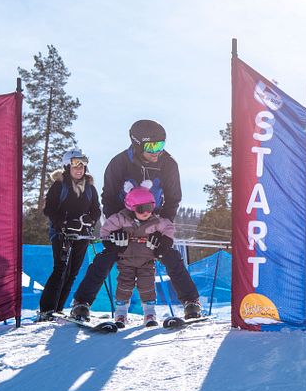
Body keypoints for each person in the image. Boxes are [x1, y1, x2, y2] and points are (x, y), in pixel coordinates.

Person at [69, 120, 201, 320]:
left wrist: (162, 231)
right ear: (137, 144)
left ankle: (191, 302)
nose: (158, 151)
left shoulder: (168, 164)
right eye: (152, 146)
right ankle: (81, 303)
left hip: (153, 220)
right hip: (124, 219)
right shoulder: (119, 163)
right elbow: (109, 197)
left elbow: (173, 199)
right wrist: (116, 228)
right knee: (106, 258)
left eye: (162, 145)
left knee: (171, 256)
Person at [101, 183, 178, 328]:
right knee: (124, 286)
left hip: (146, 261)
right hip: (126, 260)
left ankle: (149, 313)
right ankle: (121, 314)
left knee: (147, 286)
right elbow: (105, 229)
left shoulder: (155, 221)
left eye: (149, 208)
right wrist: (110, 244)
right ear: (131, 207)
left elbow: (169, 227)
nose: (146, 212)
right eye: (141, 209)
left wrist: (165, 241)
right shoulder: (121, 219)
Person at [37, 149, 101, 321]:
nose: (79, 169)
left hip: (82, 235)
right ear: (67, 166)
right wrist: (64, 223)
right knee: (60, 269)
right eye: (75, 165)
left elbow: (96, 210)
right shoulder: (59, 185)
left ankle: (58, 308)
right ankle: (46, 309)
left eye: (82, 165)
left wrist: (89, 220)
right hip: (61, 233)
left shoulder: (90, 188)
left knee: (72, 272)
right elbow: (49, 209)